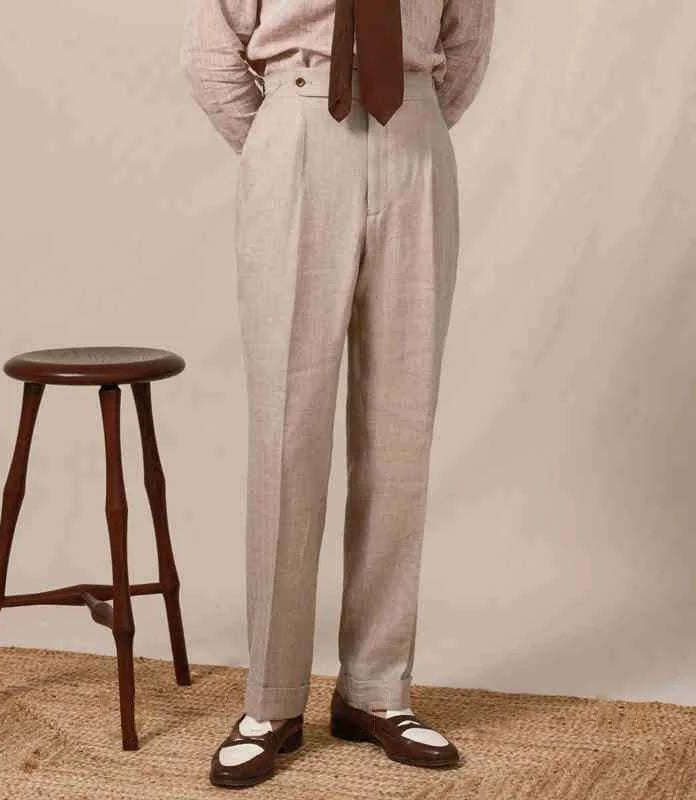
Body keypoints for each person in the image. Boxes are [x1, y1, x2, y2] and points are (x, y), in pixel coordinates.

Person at [180, 0, 495, 788]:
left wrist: (411, 114)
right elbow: (212, 50)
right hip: (297, 127)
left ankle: (376, 690)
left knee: (401, 428)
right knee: (288, 430)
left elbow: (465, 44)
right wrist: (278, 139)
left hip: (414, 135)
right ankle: (271, 701)